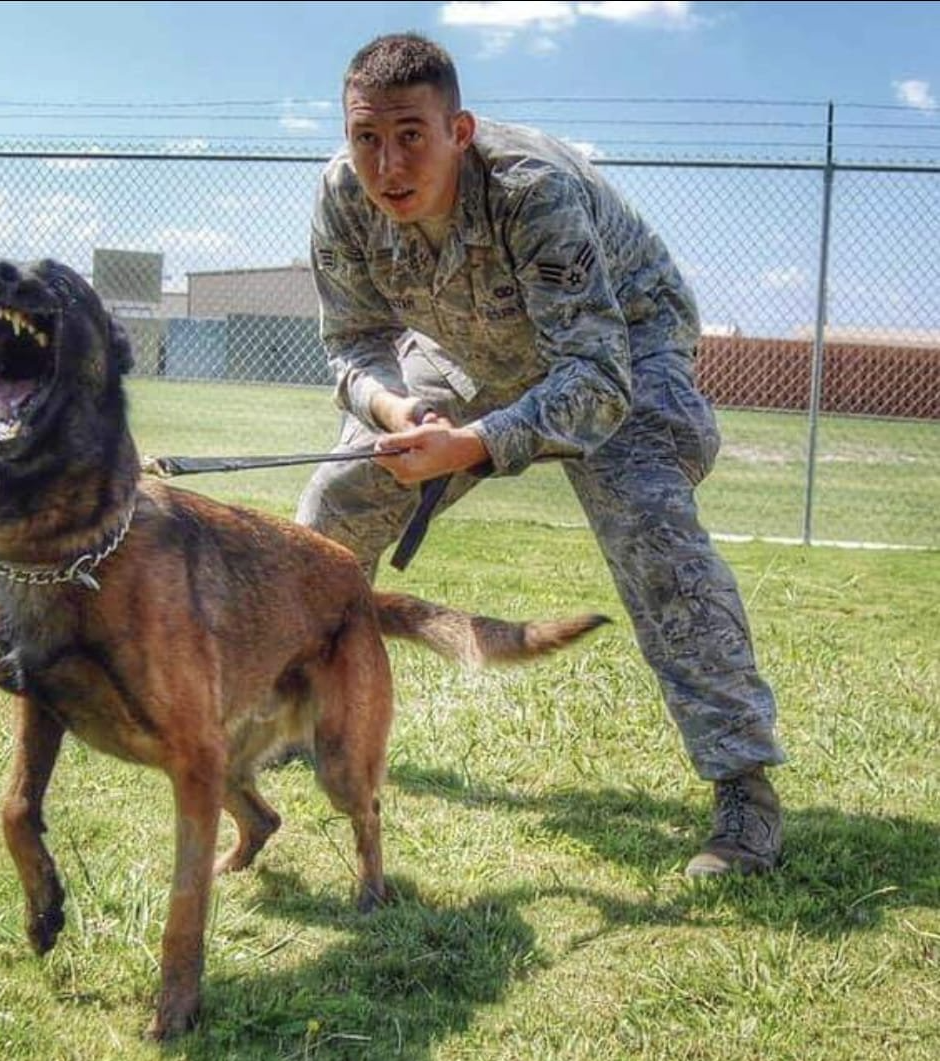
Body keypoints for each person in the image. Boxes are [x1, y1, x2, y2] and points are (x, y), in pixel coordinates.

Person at [296, 33, 785, 877]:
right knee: (337, 500)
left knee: (650, 528)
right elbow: (353, 342)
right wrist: (393, 406)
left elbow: (595, 379)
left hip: (621, 347)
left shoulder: (533, 192)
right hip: (466, 352)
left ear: (460, 130)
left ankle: (744, 786)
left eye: (412, 134)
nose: (387, 163)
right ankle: (296, 709)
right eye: (366, 137)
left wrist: (473, 445)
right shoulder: (342, 196)